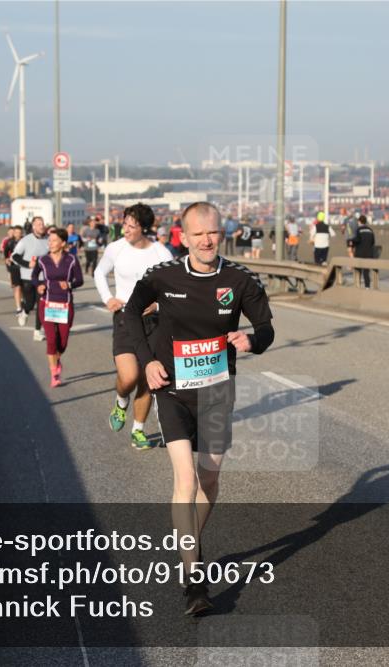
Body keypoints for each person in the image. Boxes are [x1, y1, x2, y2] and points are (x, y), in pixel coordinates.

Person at [122, 201, 274, 615]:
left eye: (213, 233)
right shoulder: (163, 275)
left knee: (209, 478)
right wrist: (147, 359)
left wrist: (251, 341)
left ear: (221, 234)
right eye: (198, 234)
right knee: (185, 480)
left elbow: (266, 328)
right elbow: (131, 312)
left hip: (217, 391)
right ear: (183, 237)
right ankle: (194, 581)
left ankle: (187, 540)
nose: (206, 241)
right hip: (171, 388)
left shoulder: (240, 280)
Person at [94, 202, 174, 450]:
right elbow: (99, 273)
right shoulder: (116, 248)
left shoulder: (161, 253)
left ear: (144, 229)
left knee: (149, 379)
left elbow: (173, 287)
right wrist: (108, 298)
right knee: (129, 376)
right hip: (125, 316)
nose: (125, 229)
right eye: (125, 224)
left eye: (132, 225)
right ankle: (120, 401)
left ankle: (138, 430)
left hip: (153, 321)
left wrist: (159, 306)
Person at [32, 228, 84, 387]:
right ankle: (54, 373)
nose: (50, 243)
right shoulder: (42, 260)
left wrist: (69, 284)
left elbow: (79, 280)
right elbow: (34, 276)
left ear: (62, 243)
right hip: (47, 303)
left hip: (65, 304)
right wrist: (39, 285)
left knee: (63, 341)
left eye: (54, 241)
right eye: (49, 241)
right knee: (51, 339)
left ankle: (57, 359)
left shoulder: (72, 259)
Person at [11, 216, 52, 340]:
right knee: (30, 303)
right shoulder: (25, 240)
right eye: (39, 224)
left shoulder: (48, 240)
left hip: (43, 277)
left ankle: (37, 331)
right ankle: (24, 312)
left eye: (42, 223)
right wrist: (28, 264)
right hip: (27, 276)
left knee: (41, 304)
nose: (41, 226)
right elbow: (15, 256)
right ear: (34, 226)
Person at [2, 225, 24, 314]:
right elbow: (5, 252)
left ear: (22, 233)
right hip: (14, 266)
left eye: (19, 233)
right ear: (13, 233)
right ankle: (18, 308)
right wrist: (7, 259)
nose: (18, 234)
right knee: (17, 287)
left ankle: (23, 299)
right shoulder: (9, 242)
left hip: (24, 267)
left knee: (25, 287)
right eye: (16, 232)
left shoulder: (25, 241)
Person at [350, 214, 376, 288]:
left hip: (360, 253)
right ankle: (367, 286)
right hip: (369, 253)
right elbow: (373, 242)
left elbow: (357, 240)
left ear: (359, 221)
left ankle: (357, 286)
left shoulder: (359, 230)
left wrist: (352, 242)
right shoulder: (370, 230)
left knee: (358, 270)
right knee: (366, 271)